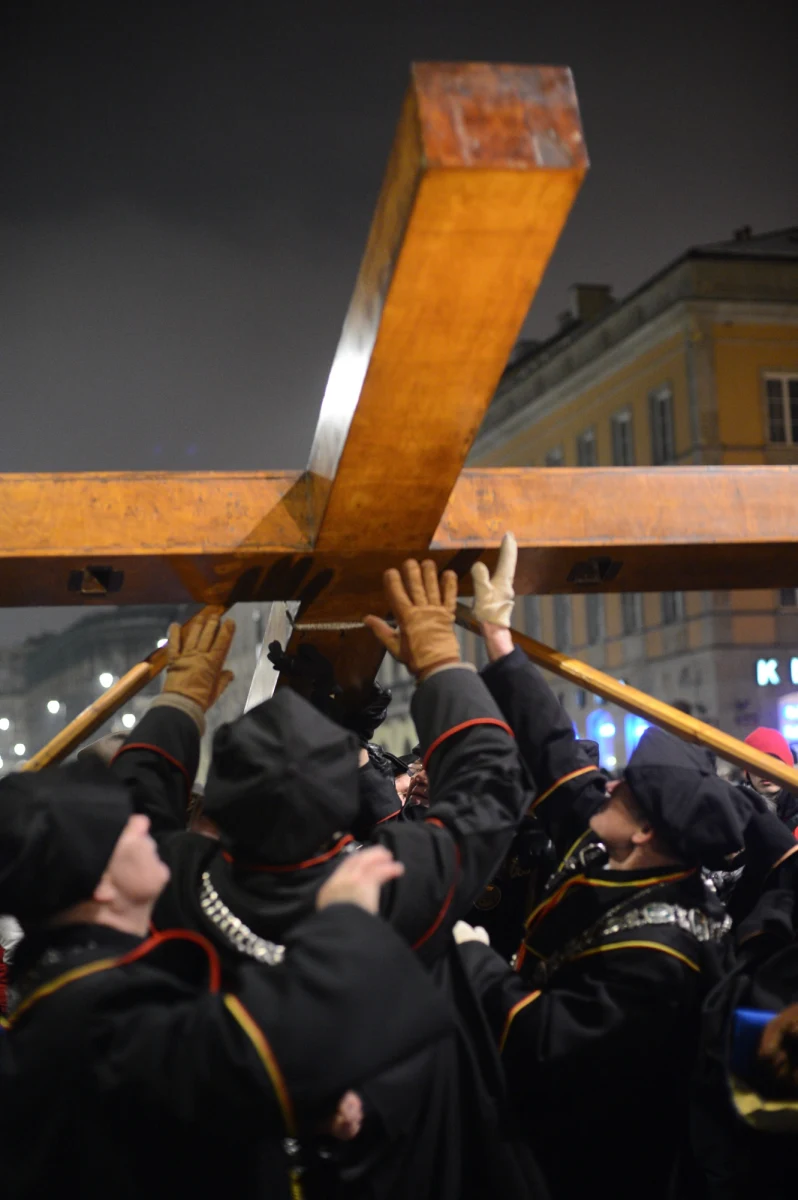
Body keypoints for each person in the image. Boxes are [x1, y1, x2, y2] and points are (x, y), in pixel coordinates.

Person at [109, 550, 547, 1200]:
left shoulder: (172, 885)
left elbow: (132, 812)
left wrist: (180, 701)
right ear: (345, 806)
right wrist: (439, 660)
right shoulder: (390, 884)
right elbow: (489, 787)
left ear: (220, 804)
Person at [0, 761, 452, 1200]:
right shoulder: (94, 1014)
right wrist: (345, 918)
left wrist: (291, 1106)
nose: (144, 825)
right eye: (123, 826)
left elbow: (184, 1100)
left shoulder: (71, 982)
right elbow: (256, 1049)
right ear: (99, 883)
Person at [456, 573, 750, 1200]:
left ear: (646, 829)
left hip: (592, 1164)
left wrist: (475, 960)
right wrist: (498, 639)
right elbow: (554, 747)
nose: (609, 783)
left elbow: (543, 1040)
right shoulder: (620, 841)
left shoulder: (663, 958)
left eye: (626, 787)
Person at [739, 727, 798, 835]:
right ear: (747, 772)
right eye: (757, 765)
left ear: (788, 768)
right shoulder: (735, 813)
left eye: (773, 765)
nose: (765, 773)